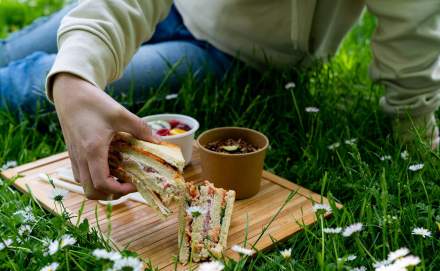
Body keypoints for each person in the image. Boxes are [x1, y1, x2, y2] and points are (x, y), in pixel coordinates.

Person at [2, 1, 439, 200]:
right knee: (24, 53)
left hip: (236, 54)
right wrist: (76, 73)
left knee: (26, 89)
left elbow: (413, 26)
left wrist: (414, 122)